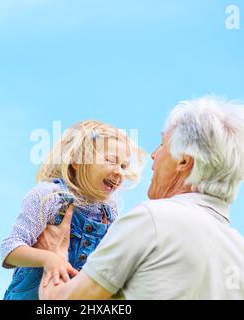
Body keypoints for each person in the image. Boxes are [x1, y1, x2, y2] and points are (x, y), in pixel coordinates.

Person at [39, 96, 244, 300]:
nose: (154, 155)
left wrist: (55, 257)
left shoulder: (153, 219)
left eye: (162, 144)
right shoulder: (238, 251)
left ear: (183, 161)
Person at [1, 120, 145, 300]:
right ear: (76, 160)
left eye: (124, 166)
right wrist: (48, 259)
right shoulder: (49, 195)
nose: (120, 172)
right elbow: (10, 249)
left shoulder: (108, 213)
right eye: (110, 160)